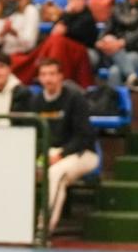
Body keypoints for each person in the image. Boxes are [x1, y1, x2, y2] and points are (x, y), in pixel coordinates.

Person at [34, 58, 99, 234]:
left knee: (56, 173)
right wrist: (41, 155)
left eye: (52, 74)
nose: (48, 79)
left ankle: (43, 229)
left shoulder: (75, 98)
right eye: (44, 74)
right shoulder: (37, 100)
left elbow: (84, 136)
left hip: (83, 154)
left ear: (61, 76)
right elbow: (36, 135)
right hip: (49, 155)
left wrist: (61, 154)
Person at [15, 0, 97, 88]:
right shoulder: (66, 15)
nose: (73, 1)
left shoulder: (87, 17)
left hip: (83, 52)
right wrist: (67, 15)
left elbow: (77, 33)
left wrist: (66, 20)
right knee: (55, 41)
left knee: (57, 41)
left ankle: (54, 75)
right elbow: (55, 30)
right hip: (64, 50)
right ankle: (45, 73)